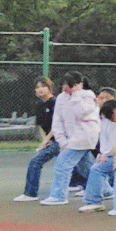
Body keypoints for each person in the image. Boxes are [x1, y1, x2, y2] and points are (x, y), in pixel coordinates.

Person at [30, 73, 97, 205]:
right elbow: (57, 119)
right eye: (64, 84)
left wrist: (76, 95)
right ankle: (105, 190)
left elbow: (81, 113)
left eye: (69, 85)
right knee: (87, 168)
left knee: (62, 164)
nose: (65, 87)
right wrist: (62, 140)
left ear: (78, 85)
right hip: (70, 139)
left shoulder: (88, 96)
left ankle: (59, 196)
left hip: (84, 137)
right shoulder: (61, 98)